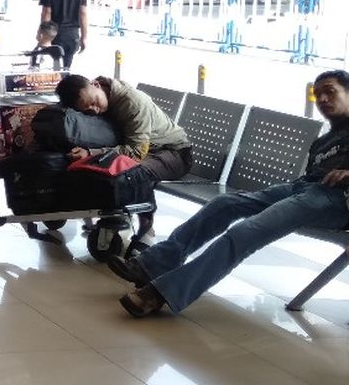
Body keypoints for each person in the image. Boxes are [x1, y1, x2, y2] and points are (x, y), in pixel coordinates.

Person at [109, 70, 349, 318]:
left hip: (335, 200)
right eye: (317, 94)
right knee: (225, 204)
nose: (322, 100)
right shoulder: (324, 141)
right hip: (304, 188)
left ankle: (160, 294)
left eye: (330, 91)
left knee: (246, 231)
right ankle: (151, 265)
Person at [55, 74, 192, 183]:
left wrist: (91, 153)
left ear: (96, 84)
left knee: (127, 176)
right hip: (146, 150)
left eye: (94, 102)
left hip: (174, 153)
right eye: (88, 111)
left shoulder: (132, 103)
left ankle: (135, 216)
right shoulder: (100, 96)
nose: (95, 110)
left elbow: (137, 152)